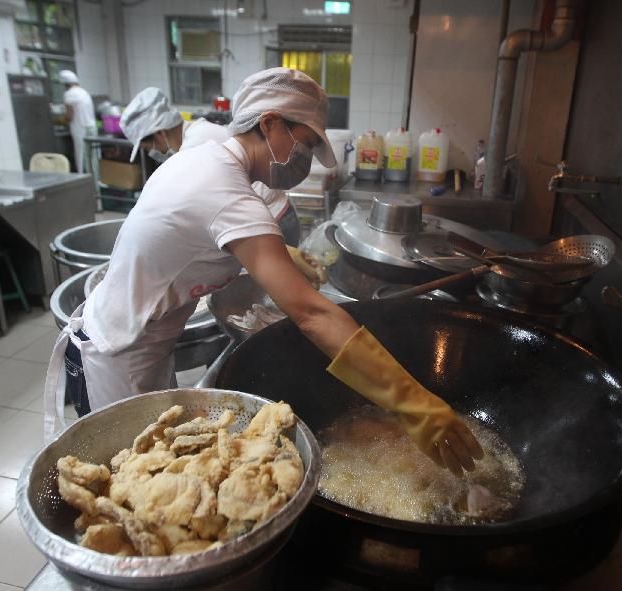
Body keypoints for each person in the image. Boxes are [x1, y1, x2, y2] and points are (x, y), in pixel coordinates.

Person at [43, 68, 482, 476]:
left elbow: (202, 238)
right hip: (119, 355)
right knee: (140, 483)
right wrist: (414, 404)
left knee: (159, 466)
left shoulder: (209, 160)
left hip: (144, 344)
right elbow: (314, 314)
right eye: (305, 141)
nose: (305, 157)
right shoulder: (224, 188)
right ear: (270, 124)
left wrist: (282, 252)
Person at [119, 87, 301, 246]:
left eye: (147, 146)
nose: (152, 152)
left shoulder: (196, 146)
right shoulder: (197, 134)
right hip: (270, 217)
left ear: (158, 133)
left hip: (273, 220)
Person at [59, 70, 96, 172]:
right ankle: (95, 181)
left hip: (80, 129)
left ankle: (83, 180)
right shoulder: (84, 92)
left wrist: (60, 120)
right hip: (91, 127)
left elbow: (69, 115)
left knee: (81, 156)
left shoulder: (69, 94)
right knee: (93, 157)